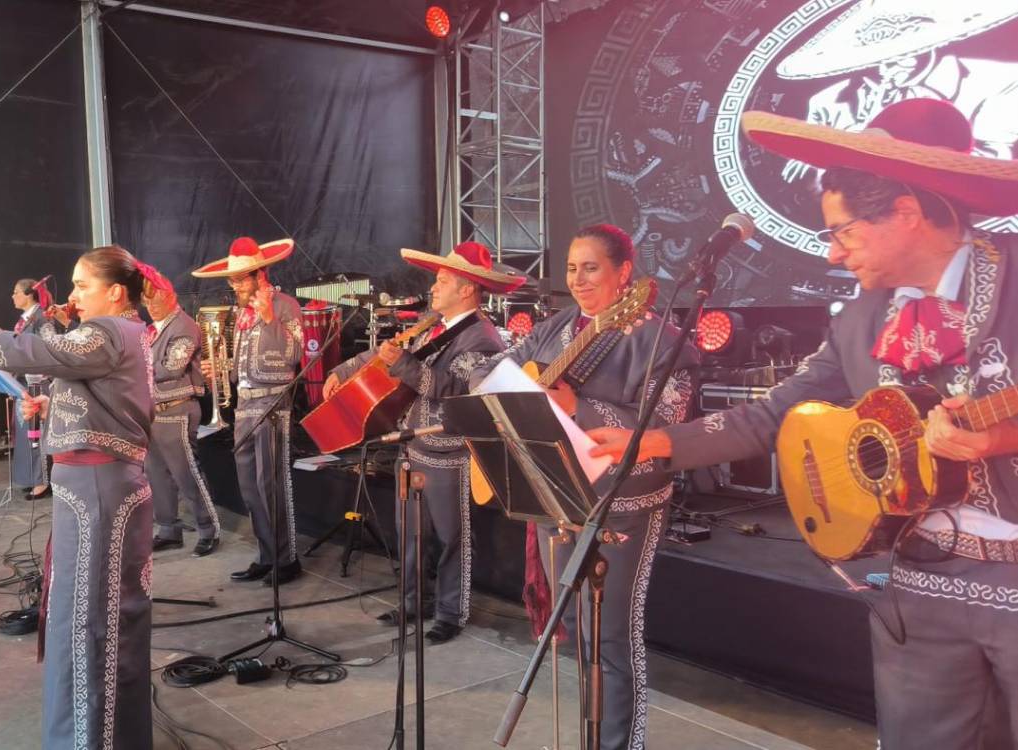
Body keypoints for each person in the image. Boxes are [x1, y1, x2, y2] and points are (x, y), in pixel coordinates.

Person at [588, 99, 1018, 750]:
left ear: (904, 213)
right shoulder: (860, 321)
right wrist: (653, 442)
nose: (835, 255)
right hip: (920, 582)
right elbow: (771, 414)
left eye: (842, 232)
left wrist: (998, 438)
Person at [0, 245, 154, 749]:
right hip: (93, 489)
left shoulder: (108, 331)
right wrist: (54, 401)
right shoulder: (123, 333)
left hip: (98, 490)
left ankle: (92, 741)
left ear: (115, 291)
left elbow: (44, 352)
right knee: (86, 615)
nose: (74, 296)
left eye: (83, 285)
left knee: (92, 621)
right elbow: (98, 390)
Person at [475, 226, 697, 749]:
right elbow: (489, 373)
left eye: (591, 267)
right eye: (572, 268)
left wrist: (578, 407)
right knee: (577, 629)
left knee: (613, 636)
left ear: (625, 274)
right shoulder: (554, 330)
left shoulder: (657, 338)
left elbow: (666, 421)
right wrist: (520, 387)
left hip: (625, 505)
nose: (578, 279)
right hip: (559, 498)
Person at [324, 242, 522, 644]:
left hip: (450, 450)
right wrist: (346, 368)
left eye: (442, 280)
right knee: (412, 534)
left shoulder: (482, 339)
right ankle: (414, 600)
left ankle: (451, 611)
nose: (433, 287)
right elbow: (387, 354)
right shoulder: (433, 323)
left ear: (467, 289)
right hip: (413, 445)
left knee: (453, 538)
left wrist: (404, 365)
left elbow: (452, 390)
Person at [194, 237, 305, 586]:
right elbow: (246, 364)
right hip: (244, 406)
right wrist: (221, 370)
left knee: (271, 484)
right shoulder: (241, 316)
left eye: (242, 278)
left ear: (261, 274)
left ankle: (287, 559)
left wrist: (271, 320)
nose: (236, 285)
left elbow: (293, 357)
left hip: (273, 406)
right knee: (249, 487)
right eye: (233, 279)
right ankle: (267, 554)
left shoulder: (285, 306)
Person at [140, 264, 220, 556]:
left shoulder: (184, 326)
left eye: (155, 300)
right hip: (155, 411)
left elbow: (172, 367)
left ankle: (208, 529)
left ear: (170, 296)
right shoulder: (154, 329)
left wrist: (135, 366)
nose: (150, 306)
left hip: (178, 408)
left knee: (187, 474)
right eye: (146, 301)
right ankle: (169, 529)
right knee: (156, 474)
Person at [11, 277, 55, 498]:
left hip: (38, 383)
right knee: (25, 433)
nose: (13, 296)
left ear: (29, 294)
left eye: (16, 292)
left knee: (37, 434)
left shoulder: (42, 319)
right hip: (25, 382)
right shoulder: (25, 321)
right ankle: (31, 476)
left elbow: (51, 347)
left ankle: (43, 481)